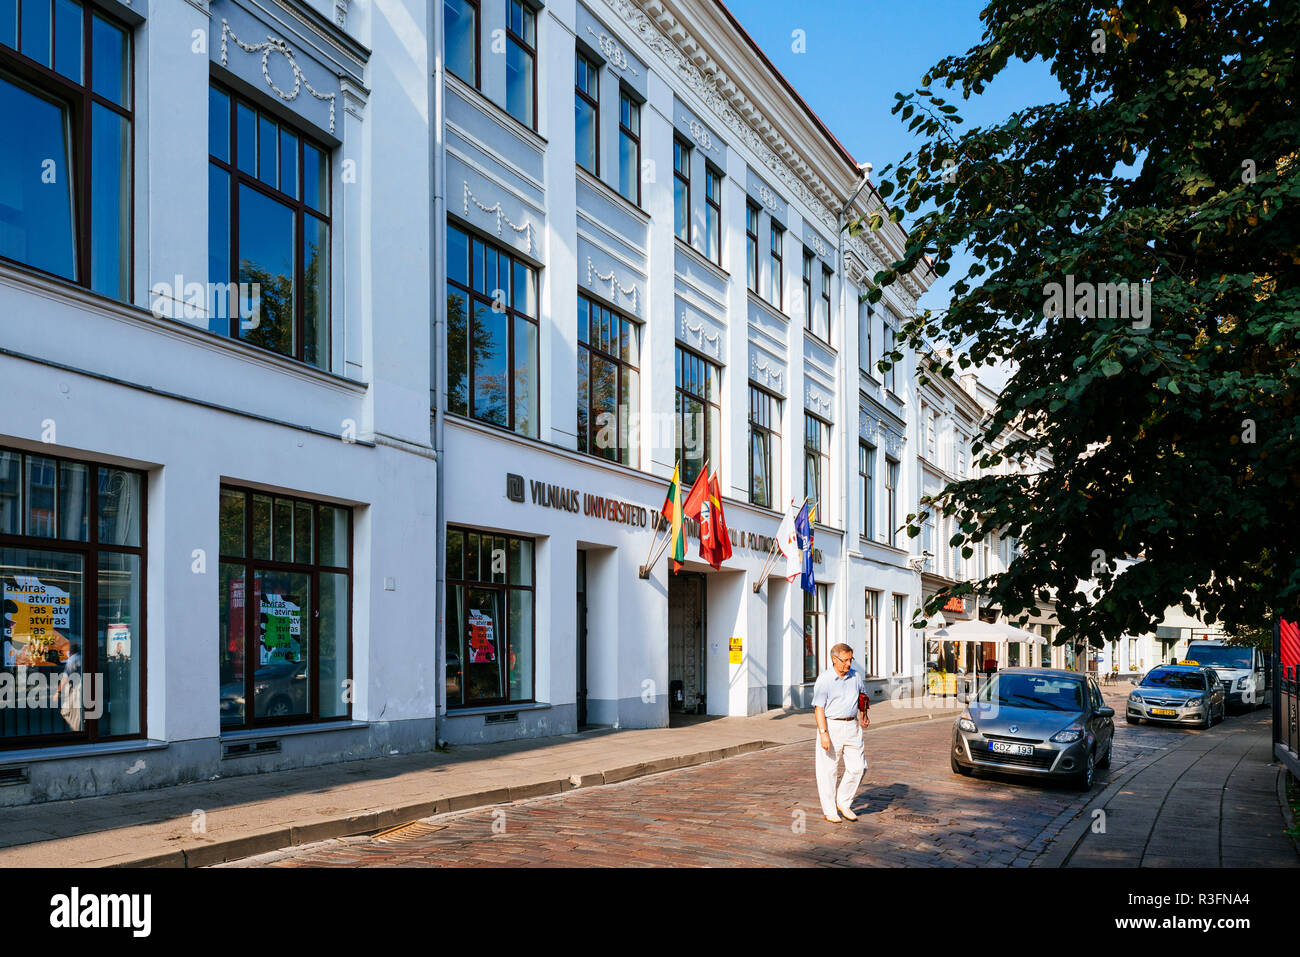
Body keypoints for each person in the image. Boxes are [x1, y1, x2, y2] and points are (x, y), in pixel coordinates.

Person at [811, 642, 869, 823]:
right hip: (832, 726)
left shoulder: (856, 676)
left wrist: (864, 715)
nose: (848, 664)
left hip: (852, 727)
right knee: (828, 770)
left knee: (859, 767)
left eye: (851, 660)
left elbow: (863, 697)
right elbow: (818, 708)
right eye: (844, 660)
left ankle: (843, 802)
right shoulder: (825, 679)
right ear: (834, 660)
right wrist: (823, 733)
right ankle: (830, 810)